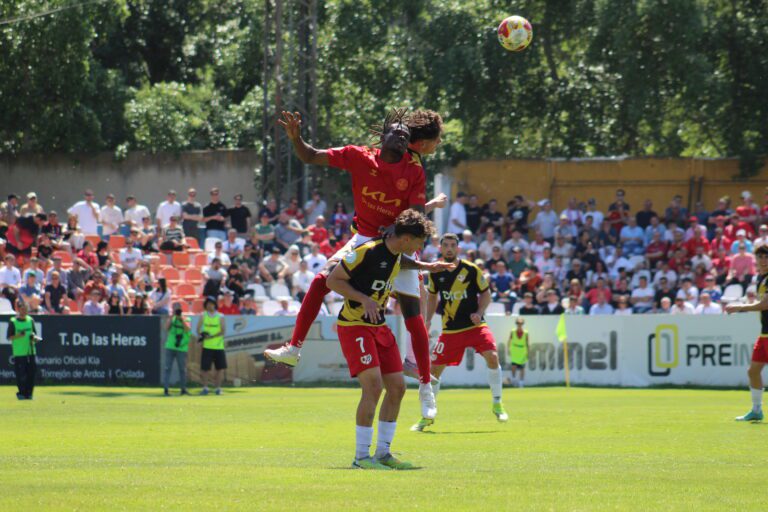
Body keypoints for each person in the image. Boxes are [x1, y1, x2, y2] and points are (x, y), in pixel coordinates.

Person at [265, 109, 448, 419]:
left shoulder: (414, 168)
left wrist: (398, 226)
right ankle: (294, 349)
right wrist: (297, 139)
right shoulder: (357, 155)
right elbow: (310, 156)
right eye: (398, 133)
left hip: (398, 241)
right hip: (364, 237)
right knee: (320, 281)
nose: (403, 139)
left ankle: (426, 386)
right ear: (383, 135)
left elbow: (415, 213)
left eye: (407, 136)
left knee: (413, 315)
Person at [326, 209, 435, 469]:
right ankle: (361, 457)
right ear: (408, 239)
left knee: (397, 387)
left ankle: (383, 454)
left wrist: (427, 266)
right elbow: (333, 280)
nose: (421, 247)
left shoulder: (396, 255)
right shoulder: (368, 251)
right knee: (373, 387)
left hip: (379, 326)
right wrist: (364, 299)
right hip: (354, 326)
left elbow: (399, 265)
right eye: (420, 242)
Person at [414, 232, 509, 431]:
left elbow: (486, 294)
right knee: (434, 370)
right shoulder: (436, 271)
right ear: (440, 248)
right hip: (450, 330)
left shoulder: (471, 270)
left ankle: (497, 403)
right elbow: (432, 297)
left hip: (475, 326)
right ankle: (428, 415)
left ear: (458, 248)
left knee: (492, 357)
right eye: (445, 245)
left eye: (452, 245)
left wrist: (479, 311)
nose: (449, 248)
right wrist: (428, 319)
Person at [727, 245, 768, 421]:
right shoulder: (760, 277)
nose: (763, 260)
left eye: (766, 257)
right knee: (753, 371)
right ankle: (757, 410)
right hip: (764, 333)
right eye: (760, 257)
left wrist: (739, 307)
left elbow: (765, 304)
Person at [8, 301, 41, 400]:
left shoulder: (30, 320)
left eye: (26, 310)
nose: (24, 311)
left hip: (31, 351)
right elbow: (9, 337)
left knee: (31, 373)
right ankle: (21, 393)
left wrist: (34, 338)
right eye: (22, 309)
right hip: (19, 352)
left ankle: (29, 394)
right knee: (21, 374)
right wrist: (19, 335)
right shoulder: (13, 321)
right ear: (18, 310)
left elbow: (34, 334)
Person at [197, 296, 227, 395]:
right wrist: (202, 334)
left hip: (218, 346)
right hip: (207, 347)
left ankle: (218, 388)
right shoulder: (203, 315)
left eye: (212, 303)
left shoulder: (220, 316)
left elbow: (223, 331)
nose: (210, 305)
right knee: (205, 369)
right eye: (208, 303)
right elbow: (198, 329)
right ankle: (205, 388)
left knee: (220, 369)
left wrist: (212, 336)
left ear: (215, 304)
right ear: (206, 305)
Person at [163, 303, 191, 396]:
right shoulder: (171, 318)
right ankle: (166, 390)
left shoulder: (186, 318)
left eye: (178, 309)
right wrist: (171, 317)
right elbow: (166, 328)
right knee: (167, 368)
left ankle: (183, 389)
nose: (177, 311)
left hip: (181, 348)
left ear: (181, 309)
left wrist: (181, 319)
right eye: (175, 309)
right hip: (170, 346)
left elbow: (187, 329)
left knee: (182, 369)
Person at [508, 317, 529, 388]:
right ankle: (514, 380)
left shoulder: (526, 332)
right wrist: (508, 349)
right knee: (513, 366)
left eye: (521, 323)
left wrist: (528, 352)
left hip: (522, 350)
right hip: (514, 350)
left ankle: (521, 382)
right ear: (516, 324)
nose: (519, 325)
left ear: (523, 324)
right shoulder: (512, 331)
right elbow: (509, 341)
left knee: (522, 367)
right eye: (518, 323)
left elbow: (527, 342)